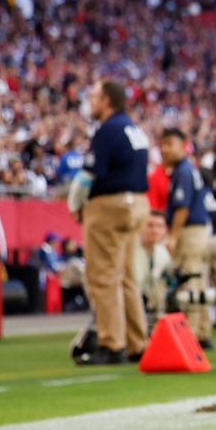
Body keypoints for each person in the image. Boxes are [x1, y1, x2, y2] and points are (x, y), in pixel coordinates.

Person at [67, 79, 151, 365]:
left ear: (106, 101)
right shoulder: (134, 128)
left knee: (103, 277)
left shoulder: (108, 129)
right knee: (127, 277)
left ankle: (111, 344)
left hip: (111, 204)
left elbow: (88, 175)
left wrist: (75, 204)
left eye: (93, 96)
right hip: (137, 203)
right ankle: (137, 342)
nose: (90, 102)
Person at [160, 127, 215, 348]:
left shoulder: (183, 171)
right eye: (162, 144)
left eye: (169, 144)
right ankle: (202, 331)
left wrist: (173, 236)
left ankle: (190, 334)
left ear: (183, 145)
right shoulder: (187, 169)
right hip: (199, 231)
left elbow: (182, 208)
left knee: (190, 279)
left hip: (190, 231)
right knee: (198, 280)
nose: (164, 149)